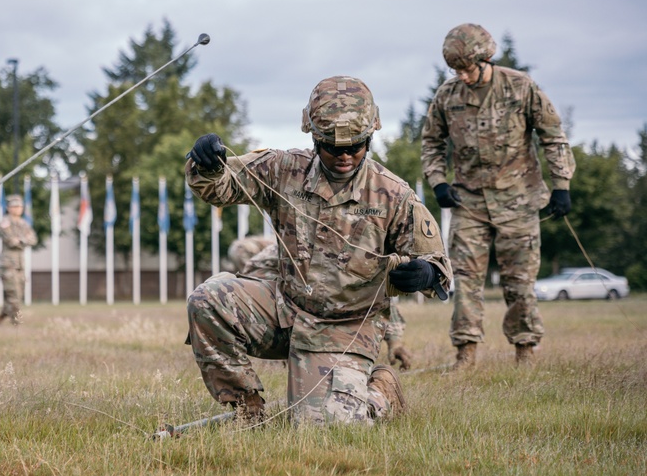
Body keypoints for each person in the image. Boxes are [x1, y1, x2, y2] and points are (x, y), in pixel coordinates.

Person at [185, 76, 451, 426]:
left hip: (347, 325)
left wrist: (425, 273)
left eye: (355, 146)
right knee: (208, 300)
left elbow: (438, 266)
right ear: (313, 138)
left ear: (370, 139)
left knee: (325, 427)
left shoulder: (393, 194)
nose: (344, 156)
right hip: (286, 308)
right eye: (331, 146)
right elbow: (217, 187)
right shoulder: (283, 169)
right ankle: (247, 410)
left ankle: (382, 392)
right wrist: (205, 161)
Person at [421, 23, 576, 368]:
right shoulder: (447, 96)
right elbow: (431, 142)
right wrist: (438, 182)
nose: (462, 76)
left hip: (518, 201)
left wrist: (561, 184)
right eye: (455, 69)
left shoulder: (521, 87)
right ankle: (465, 355)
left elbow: (553, 136)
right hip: (469, 204)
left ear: (486, 58)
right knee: (463, 280)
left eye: (467, 68)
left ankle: (525, 352)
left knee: (520, 282)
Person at [234, 238, 414, 371]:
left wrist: (395, 343)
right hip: (273, 277)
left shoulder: (354, 261)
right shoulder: (304, 254)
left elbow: (373, 299)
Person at [0, 194, 37, 325]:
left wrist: (20, 240)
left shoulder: (24, 223)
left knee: (18, 293)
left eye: (20, 206)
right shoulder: (4, 223)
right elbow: (11, 241)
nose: (18, 209)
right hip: (8, 263)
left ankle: (0, 318)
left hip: (20, 264)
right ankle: (17, 322)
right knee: (14, 294)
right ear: (9, 208)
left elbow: (33, 239)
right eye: (15, 206)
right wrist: (23, 240)